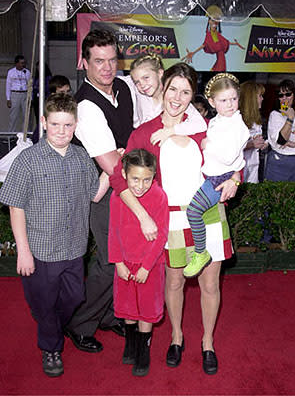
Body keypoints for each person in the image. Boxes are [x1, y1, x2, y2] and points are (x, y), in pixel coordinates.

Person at [110, 63, 240, 375]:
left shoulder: (203, 128)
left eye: (185, 92)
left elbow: (229, 157)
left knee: (210, 283)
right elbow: (119, 179)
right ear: (163, 87)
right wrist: (143, 216)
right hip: (171, 220)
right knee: (175, 280)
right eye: (173, 89)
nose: (177, 97)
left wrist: (236, 176)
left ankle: (208, 342)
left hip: (208, 214)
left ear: (192, 95)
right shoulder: (144, 133)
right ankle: (177, 336)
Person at [0, 93, 109, 377]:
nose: (62, 131)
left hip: (74, 249)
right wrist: (23, 251)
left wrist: (112, 170)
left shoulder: (82, 156)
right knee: (46, 303)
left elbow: (93, 195)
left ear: (76, 126)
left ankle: (48, 321)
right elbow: (15, 206)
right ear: (45, 122)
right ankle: (51, 348)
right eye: (56, 124)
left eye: (68, 125)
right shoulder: (28, 160)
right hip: (41, 251)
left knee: (74, 298)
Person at [65, 29, 134, 352]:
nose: (107, 68)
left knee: (121, 257)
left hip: (123, 185)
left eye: (111, 60)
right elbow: (111, 164)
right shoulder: (86, 106)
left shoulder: (123, 87)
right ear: (84, 63)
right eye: (98, 61)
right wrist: (126, 153)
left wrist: (126, 150)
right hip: (100, 193)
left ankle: (107, 314)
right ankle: (80, 323)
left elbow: (132, 139)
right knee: (109, 261)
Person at [109, 148, 169, 377]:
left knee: (146, 310)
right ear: (124, 174)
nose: (141, 185)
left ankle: (143, 349)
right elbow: (114, 231)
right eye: (135, 178)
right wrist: (118, 262)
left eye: (147, 179)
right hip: (124, 263)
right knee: (127, 307)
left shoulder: (159, 197)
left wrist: (146, 266)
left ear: (154, 176)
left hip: (149, 266)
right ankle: (130, 343)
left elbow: (161, 235)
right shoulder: (118, 197)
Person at [184, 73, 249, 277]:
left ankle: (200, 252)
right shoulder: (219, 121)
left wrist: (207, 145)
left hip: (220, 179)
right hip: (211, 176)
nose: (230, 104)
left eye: (233, 98)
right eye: (223, 100)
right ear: (211, 101)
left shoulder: (237, 125)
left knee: (193, 212)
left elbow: (229, 157)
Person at [121, 54, 207, 135]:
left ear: (160, 73)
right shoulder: (136, 87)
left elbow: (200, 124)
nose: (142, 84)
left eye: (146, 77)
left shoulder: (173, 97)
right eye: (137, 82)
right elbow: (112, 79)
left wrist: (171, 131)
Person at [182, 5, 244, 71]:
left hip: (222, 60)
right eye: (212, 21)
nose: (214, 24)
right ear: (209, 21)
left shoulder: (217, 35)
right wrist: (193, 52)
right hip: (220, 60)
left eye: (216, 22)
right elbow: (204, 44)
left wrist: (236, 44)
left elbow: (226, 42)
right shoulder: (209, 35)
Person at [265, 79, 295, 181]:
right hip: (279, 160)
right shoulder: (275, 115)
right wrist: (290, 118)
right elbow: (281, 140)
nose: (284, 98)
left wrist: (292, 144)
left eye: (288, 94)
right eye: (281, 95)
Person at [239, 81, 268, 183]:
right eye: (260, 96)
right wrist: (251, 144)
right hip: (239, 170)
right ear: (251, 98)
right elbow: (230, 146)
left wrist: (262, 144)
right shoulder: (237, 119)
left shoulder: (256, 119)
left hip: (253, 166)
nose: (262, 99)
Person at [6, 54, 31, 132]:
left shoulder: (27, 72)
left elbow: (30, 85)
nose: (22, 65)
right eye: (21, 63)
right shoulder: (11, 72)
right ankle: (11, 134)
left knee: (26, 115)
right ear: (16, 63)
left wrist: (31, 98)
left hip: (24, 94)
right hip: (15, 94)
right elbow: (8, 85)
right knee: (13, 115)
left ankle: (25, 133)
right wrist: (8, 98)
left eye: (23, 63)